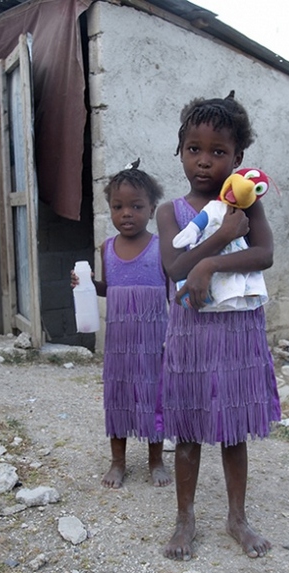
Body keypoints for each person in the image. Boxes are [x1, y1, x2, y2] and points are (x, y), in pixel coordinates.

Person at [156, 93, 280, 560]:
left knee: (233, 430)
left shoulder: (248, 205)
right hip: (191, 332)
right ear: (180, 149)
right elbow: (173, 267)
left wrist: (210, 263)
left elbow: (265, 253)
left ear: (238, 158)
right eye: (194, 149)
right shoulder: (171, 212)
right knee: (188, 430)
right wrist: (220, 243)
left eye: (218, 152)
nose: (204, 162)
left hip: (238, 332)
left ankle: (237, 518)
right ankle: (184, 520)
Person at [71, 161, 172, 489]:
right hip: (119, 343)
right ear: (109, 209)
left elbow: (173, 292)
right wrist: (85, 283)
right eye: (118, 206)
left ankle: (156, 459)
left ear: (152, 209)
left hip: (153, 341)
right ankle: (118, 462)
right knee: (118, 396)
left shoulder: (161, 248)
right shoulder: (107, 249)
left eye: (136, 206)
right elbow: (108, 288)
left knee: (154, 396)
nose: (126, 213)